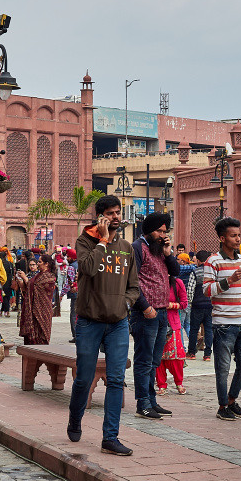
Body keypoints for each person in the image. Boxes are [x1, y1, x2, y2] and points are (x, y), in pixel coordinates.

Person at [68, 195, 146, 456]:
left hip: (118, 323)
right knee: (84, 378)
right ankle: (75, 418)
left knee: (116, 380)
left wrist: (125, 304)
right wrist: (102, 241)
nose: (116, 217)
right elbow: (88, 269)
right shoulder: (84, 242)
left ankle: (110, 438)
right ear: (100, 216)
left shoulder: (126, 247)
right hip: (89, 321)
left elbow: (134, 286)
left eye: (118, 212)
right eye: (110, 213)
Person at [130, 212, 179, 420]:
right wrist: (145, 307)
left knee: (154, 361)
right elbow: (131, 281)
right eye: (159, 231)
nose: (162, 235)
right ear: (149, 231)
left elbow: (175, 272)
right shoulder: (137, 248)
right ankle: (142, 403)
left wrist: (168, 253)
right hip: (145, 314)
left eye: (165, 231)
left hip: (161, 312)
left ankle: (151, 401)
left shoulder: (160, 250)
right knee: (144, 360)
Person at [203, 217, 241, 422]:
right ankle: (222, 406)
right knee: (223, 368)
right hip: (223, 323)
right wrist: (229, 280)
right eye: (233, 236)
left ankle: (232, 400)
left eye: (239, 235)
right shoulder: (213, 261)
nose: (238, 239)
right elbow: (207, 290)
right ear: (222, 238)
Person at [157, 275, 188, 395]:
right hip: (156, 323)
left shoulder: (177, 283)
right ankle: (161, 385)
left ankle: (179, 383)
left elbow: (184, 303)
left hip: (173, 324)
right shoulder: (154, 281)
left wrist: (170, 305)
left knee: (176, 357)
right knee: (158, 357)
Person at [18, 254, 58, 345]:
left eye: (39, 262)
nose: (38, 264)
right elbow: (30, 288)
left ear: (46, 264)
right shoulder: (38, 275)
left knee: (41, 335)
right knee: (31, 337)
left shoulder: (49, 276)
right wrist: (21, 283)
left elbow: (36, 287)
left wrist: (25, 278)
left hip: (42, 310)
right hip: (32, 309)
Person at [186, 251, 213, 361]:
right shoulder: (212, 272)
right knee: (209, 330)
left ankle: (191, 353)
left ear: (198, 260)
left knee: (194, 329)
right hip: (210, 305)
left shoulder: (195, 272)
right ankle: (207, 354)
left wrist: (190, 303)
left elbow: (190, 290)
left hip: (197, 305)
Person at [64, 249, 79, 343]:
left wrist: (62, 294)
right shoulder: (80, 264)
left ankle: (76, 335)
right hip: (81, 293)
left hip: (74, 293)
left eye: (68, 257)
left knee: (73, 315)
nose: (67, 258)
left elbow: (68, 283)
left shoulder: (71, 267)